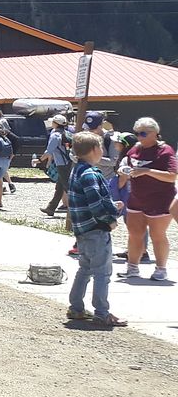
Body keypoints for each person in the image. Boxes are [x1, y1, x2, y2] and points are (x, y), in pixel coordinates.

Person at [65, 131, 127, 327]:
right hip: (96, 229)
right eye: (100, 147)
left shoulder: (77, 170)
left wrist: (111, 205)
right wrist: (110, 220)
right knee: (102, 272)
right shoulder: (91, 173)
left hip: (82, 230)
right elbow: (96, 205)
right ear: (94, 149)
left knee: (85, 269)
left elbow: (89, 200)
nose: (102, 151)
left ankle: (76, 307)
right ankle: (101, 312)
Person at [117, 117, 175, 283]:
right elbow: (129, 165)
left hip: (160, 200)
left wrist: (147, 171)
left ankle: (161, 269)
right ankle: (132, 267)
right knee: (134, 234)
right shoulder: (135, 149)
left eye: (143, 133)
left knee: (157, 235)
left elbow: (172, 176)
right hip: (136, 198)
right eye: (137, 133)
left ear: (155, 133)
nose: (139, 137)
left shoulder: (165, 151)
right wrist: (123, 170)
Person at [40, 114, 73, 217]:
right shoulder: (67, 133)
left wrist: (40, 160)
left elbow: (49, 151)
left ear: (55, 124)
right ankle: (51, 208)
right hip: (69, 162)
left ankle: (79, 208)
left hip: (61, 164)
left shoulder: (55, 135)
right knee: (60, 187)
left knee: (67, 187)